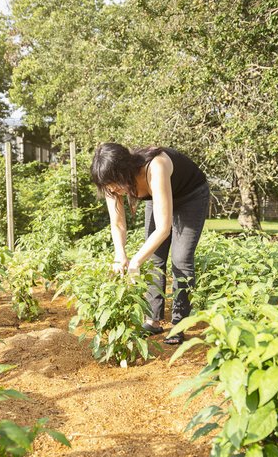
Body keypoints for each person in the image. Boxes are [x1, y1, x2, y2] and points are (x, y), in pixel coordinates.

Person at [90, 142, 210, 345]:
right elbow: (118, 224)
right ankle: (153, 320)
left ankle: (179, 326)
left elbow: (163, 228)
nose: (111, 189)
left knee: (181, 260)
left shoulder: (156, 166)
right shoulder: (111, 185)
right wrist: (120, 256)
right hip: (160, 197)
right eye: (107, 185)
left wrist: (135, 261)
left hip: (191, 196)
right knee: (155, 257)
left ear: (125, 170)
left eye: (113, 183)